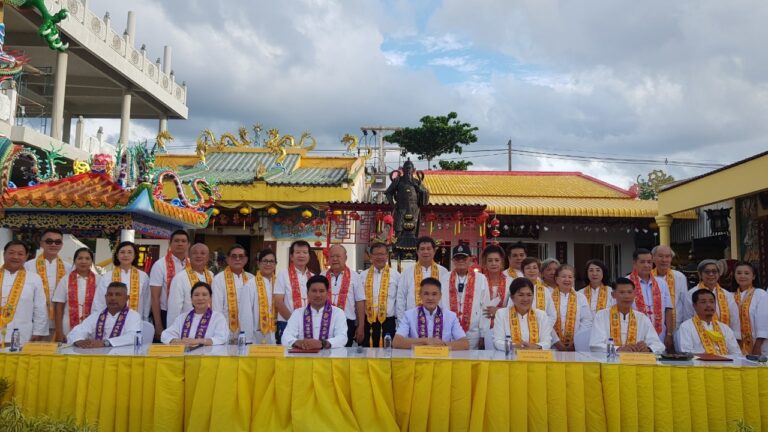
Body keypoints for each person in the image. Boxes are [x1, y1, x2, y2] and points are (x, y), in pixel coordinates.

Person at [589, 278, 665, 353]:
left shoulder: (642, 318)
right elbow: (595, 345)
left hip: (636, 360)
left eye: (629, 292)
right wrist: (618, 349)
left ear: (634, 294)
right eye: (622, 292)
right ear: (613, 295)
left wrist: (648, 349)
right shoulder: (601, 316)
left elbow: (658, 345)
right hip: (609, 360)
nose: (626, 296)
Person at [393, 277, 469, 350]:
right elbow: (396, 342)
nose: (430, 298)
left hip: (442, 357)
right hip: (416, 357)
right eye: (426, 294)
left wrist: (442, 345)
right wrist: (426, 341)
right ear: (420, 295)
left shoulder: (451, 316)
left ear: (440, 296)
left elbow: (464, 343)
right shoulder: (409, 315)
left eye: (434, 294)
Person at [440, 244, 490, 349]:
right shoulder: (444, 278)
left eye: (464, 258)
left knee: (471, 358)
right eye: (457, 258)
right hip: (449, 331)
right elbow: (440, 304)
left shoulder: (481, 279)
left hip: (472, 333)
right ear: (453, 260)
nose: (461, 260)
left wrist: (483, 333)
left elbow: (485, 307)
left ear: (470, 259)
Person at [67, 282, 142, 348]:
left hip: (123, 357)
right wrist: (78, 341)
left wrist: (105, 343)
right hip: (97, 356)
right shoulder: (96, 315)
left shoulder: (133, 316)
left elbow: (133, 337)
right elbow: (77, 331)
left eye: (118, 295)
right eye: (110, 294)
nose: (113, 298)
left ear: (127, 298)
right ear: (105, 297)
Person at [281, 275, 348, 349]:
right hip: (302, 354)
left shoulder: (338, 313)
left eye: (321, 291)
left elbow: (342, 337)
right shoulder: (297, 313)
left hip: (330, 355)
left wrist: (322, 343)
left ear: (327, 293)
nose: (318, 295)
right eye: (314, 291)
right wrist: (299, 343)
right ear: (307, 293)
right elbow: (286, 337)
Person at [25, 228, 71, 332]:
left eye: (57, 242)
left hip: (60, 322)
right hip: (33, 321)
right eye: (49, 241)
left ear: (61, 245)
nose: (53, 244)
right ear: (41, 243)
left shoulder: (68, 268)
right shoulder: (28, 266)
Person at [1, 241, 48, 344]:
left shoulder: (34, 278)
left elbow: (40, 307)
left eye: (20, 254)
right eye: (11, 253)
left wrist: (38, 332)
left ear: (26, 257)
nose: (15, 257)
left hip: (22, 334)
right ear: (4, 254)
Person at [681, 260, 740, 338]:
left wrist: (736, 338)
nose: (711, 274)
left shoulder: (727, 295)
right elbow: (687, 317)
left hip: (725, 338)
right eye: (707, 272)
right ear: (700, 274)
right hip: (699, 338)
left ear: (719, 274)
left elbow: (735, 320)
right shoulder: (691, 294)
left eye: (714, 271)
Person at [395, 236, 449, 321]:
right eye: (422, 249)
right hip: (413, 320)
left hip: (437, 321)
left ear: (434, 251)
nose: (425, 252)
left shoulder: (443, 272)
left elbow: (446, 298)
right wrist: (402, 321)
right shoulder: (407, 272)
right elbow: (401, 298)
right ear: (417, 251)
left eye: (428, 249)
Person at [92, 242, 150, 320]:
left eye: (129, 252)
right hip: (111, 321)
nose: (126, 255)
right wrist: (98, 320)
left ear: (135, 255)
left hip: (136, 320)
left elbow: (147, 301)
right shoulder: (107, 276)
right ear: (117, 255)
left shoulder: (143, 276)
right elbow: (99, 301)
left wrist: (145, 319)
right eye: (122, 252)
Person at [149, 230, 190, 341]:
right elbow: (155, 297)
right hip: (165, 314)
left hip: (188, 314)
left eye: (183, 241)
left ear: (188, 244)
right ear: (170, 243)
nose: (180, 244)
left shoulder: (192, 265)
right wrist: (158, 324)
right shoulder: (159, 265)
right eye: (176, 241)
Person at [627, 249, 673, 346]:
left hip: (659, 334)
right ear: (634, 263)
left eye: (649, 262)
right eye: (642, 262)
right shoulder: (626, 283)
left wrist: (669, 334)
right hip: (635, 332)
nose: (646, 265)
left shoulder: (661, 283)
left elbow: (668, 309)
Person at [322, 245, 365, 347]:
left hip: (347, 322)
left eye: (338, 256)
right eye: (332, 256)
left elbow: (360, 302)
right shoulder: (322, 276)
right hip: (324, 322)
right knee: (324, 352)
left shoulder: (355, 276)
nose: (335, 259)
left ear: (345, 258)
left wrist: (361, 326)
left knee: (344, 352)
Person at [493, 278, 553, 351]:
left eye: (529, 295)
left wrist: (535, 346)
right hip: (510, 356)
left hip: (535, 356)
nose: (525, 299)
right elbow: (497, 341)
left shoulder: (541, 315)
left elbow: (547, 342)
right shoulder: (501, 314)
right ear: (512, 297)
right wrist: (514, 346)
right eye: (521, 295)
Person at [211, 245, 255, 343]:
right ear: (227, 259)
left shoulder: (252, 279)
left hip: (248, 331)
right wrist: (220, 332)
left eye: (241, 256)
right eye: (234, 256)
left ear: (246, 259)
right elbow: (216, 308)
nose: (237, 259)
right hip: (225, 330)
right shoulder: (218, 279)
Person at [52, 248, 97, 342]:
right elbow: (59, 307)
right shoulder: (65, 279)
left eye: (87, 258)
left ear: (91, 262)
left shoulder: (99, 280)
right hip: (68, 327)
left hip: (92, 327)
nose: (83, 261)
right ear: (74, 261)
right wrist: (59, 332)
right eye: (80, 258)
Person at [161, 282, 227, 346]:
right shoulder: (182, 318)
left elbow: (222, 338)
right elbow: (165, 335)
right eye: (196, 295)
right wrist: (177, 341)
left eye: (204, 295)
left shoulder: (218, 318)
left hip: (210, 353)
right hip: (185, 353)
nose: (200, 298)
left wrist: (199, 341)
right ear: (191, 299)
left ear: (210, 298)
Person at [273, 240, 314, 344]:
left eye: (305, 252)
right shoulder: (283, 275)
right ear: (291, 256)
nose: (301, 255)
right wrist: (294, 322)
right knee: (287, 352)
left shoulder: (313, 277)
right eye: (298, 252)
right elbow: (278, 302)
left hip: (309, 324)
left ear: (309, 256)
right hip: (287, 322)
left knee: (308, 351)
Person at [678, 289, 741, 355]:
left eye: (712, 302)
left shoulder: (725, 328)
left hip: (726, 361)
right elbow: (686, 352)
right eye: (703, 302)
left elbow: (736, 353)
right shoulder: (686, 327)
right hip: (699, 362)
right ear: (694, 305)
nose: (709, 305)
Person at [359, 242, 398, 347]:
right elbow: (359, 300)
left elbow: (399, 301)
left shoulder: (396, 276)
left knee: (388, 353)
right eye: (376, 254)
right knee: (367, 352)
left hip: (388, 322)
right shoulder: (362, 276)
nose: (379, 257)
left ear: (387, 256)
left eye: (382, 254)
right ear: (371, 257)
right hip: (368, 322)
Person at [167, 243, 213, 327]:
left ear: (208, 257)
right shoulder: (180, 278)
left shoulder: (211, 276)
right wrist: (173, 331)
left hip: (209, 325)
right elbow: (174, 310)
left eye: (202, 253)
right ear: (189, 256)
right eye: (195, 253)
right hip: (187, 327)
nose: (199, 256)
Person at [552, 265, 592, 351]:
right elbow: (546, 322)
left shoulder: (581, 297)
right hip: (553, 345)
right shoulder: (549, 296)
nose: (567, 280)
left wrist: (576, 341)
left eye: (570, 277)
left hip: (575, 346)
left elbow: (586, 321)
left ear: (574, 279)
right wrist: (556, 341)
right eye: (563, 276)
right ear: (556, 279)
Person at [731, 262, 768, 355]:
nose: (742, 276)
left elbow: (764, 321)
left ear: (754, 276)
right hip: (735, 345)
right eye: (739, 273)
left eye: (746, 273)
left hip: (758, 344)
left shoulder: (760, 294)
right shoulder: (730, 296)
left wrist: (758, 345)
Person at [651, 245, 688, 329]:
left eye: (667, 256)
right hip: (653, 323)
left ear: (671, 258)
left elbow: (685, 302)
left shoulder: (679, 276)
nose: (664, 260)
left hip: (677, 324)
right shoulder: (648, 277)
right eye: (660, 256)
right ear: (653, 258)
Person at [248, 249, 278, 344]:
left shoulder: (279, 283)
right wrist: (247, 339)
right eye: (265, 261)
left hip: (276, 332)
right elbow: (246, 314)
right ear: (258, 263)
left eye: (271, 261)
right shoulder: (250, 284)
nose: (268, 264)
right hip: (256, 335)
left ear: (275, 264)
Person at [518, 257, 556, 324]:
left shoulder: (545, 290)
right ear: (522, 271)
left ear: (539, 271)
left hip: (542, 328)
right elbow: (511, 311)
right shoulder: (516, 289)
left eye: (535, 268)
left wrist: (544, 328)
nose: (532, 271)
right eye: (528, 268)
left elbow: (552, 315)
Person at [480, 245, 509, 325]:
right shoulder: (479, 280)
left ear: (502, 262)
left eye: (497, 260)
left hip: (503, 324)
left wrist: (499, 311)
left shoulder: (510, 282)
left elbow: (515, 307)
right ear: (485, 263)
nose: (493, 263)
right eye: (490, 260)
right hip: (482, 323)